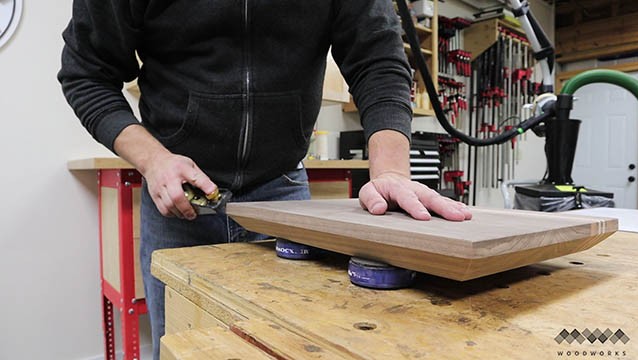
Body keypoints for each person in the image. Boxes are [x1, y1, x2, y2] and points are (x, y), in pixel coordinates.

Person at [58, 1, 472, 358]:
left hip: (283, 195)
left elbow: (378, 58)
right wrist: (153, 161)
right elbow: (87, 72)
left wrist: (392, 170)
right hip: (178, 201)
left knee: (290, 346)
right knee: (181, 347)